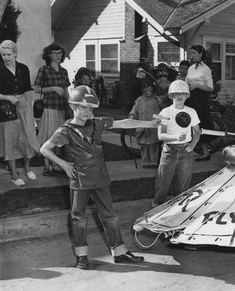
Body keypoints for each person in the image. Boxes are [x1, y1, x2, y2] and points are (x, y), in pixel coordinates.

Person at [40, 86, 157, 269]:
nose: (88, 112)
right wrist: (64, 164)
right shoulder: (65, 131)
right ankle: (81, 256)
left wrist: (150, 124)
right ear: (73, 106)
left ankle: (119, 252)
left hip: (101, 178)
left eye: (91, 108)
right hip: (80, 180)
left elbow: (124, 123)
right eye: (84, 107)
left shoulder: (97, 123)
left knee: (110, 216)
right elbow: (44, 149)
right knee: (78, 217)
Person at [152, 80, 201, 208]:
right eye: (176, 93)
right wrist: (175, 137)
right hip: (169, 151)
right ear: (171, 96)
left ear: (187, 96)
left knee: (183, 184)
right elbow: (160, 135)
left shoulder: (192, 112)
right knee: (162, 182)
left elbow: (197, 132)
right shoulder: (165, 112)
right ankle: (156, 207)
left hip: (186, 151)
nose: (180, 96)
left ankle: (179, 209)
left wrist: (191, 146)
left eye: (183, 93)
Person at [0, 40, 40, 186]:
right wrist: (7, 97)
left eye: (8, 54)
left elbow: (28, 90)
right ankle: (14, 175)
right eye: (3, 54)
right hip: (7, 108)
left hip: (23, 105)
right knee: (10, 140)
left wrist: (29, 110)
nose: (6, 57)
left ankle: (27, 168)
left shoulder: (23, 68)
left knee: (28, 137)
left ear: (15, 53)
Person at [33, 43, 70, 177]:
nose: (58, 55)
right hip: (49, 108)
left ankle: (56, 165)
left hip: (61, 108)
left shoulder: (64, 71)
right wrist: (53, 88)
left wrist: (69, 105)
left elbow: (66, 90)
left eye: (60, 53)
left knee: (60, 138)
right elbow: (36, 88)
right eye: (55, 53)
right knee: (49, 137)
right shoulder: (44, 69)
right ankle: (47, 166)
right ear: (49, 55)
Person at [185, 45, 214, 161]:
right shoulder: (191, 68)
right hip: (190, 97)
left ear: (200, 54)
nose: (191, 56)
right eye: (191, 53)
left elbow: (210, 88)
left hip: (199, 98)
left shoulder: (205, 69)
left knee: (200, 123)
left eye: (194, 53)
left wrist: (197, 85)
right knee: (188, 122)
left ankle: (206, 152)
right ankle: (187, 149)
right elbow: (186, 81)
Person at [129, 80, 165, 168]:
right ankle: (145, 162)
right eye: (146, 89)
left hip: (154, 126)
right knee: (144, 145)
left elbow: (163, 110)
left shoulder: (156, 100)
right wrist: (132, 117)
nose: (148, 91)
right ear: (142, 90)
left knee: (153, 145)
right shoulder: (139, 100)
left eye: (150, 89)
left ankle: (153, 162)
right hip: (142, 126)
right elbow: (135, 110)